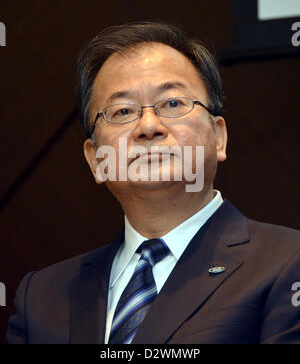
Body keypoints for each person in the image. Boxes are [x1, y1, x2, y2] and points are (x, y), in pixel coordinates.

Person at [6, 21, 300, 344]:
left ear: (219, 137)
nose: (148, 126)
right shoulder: (41, 297)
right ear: (94, 159)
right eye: (121, 111)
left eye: (172, 103)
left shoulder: (287, 263)